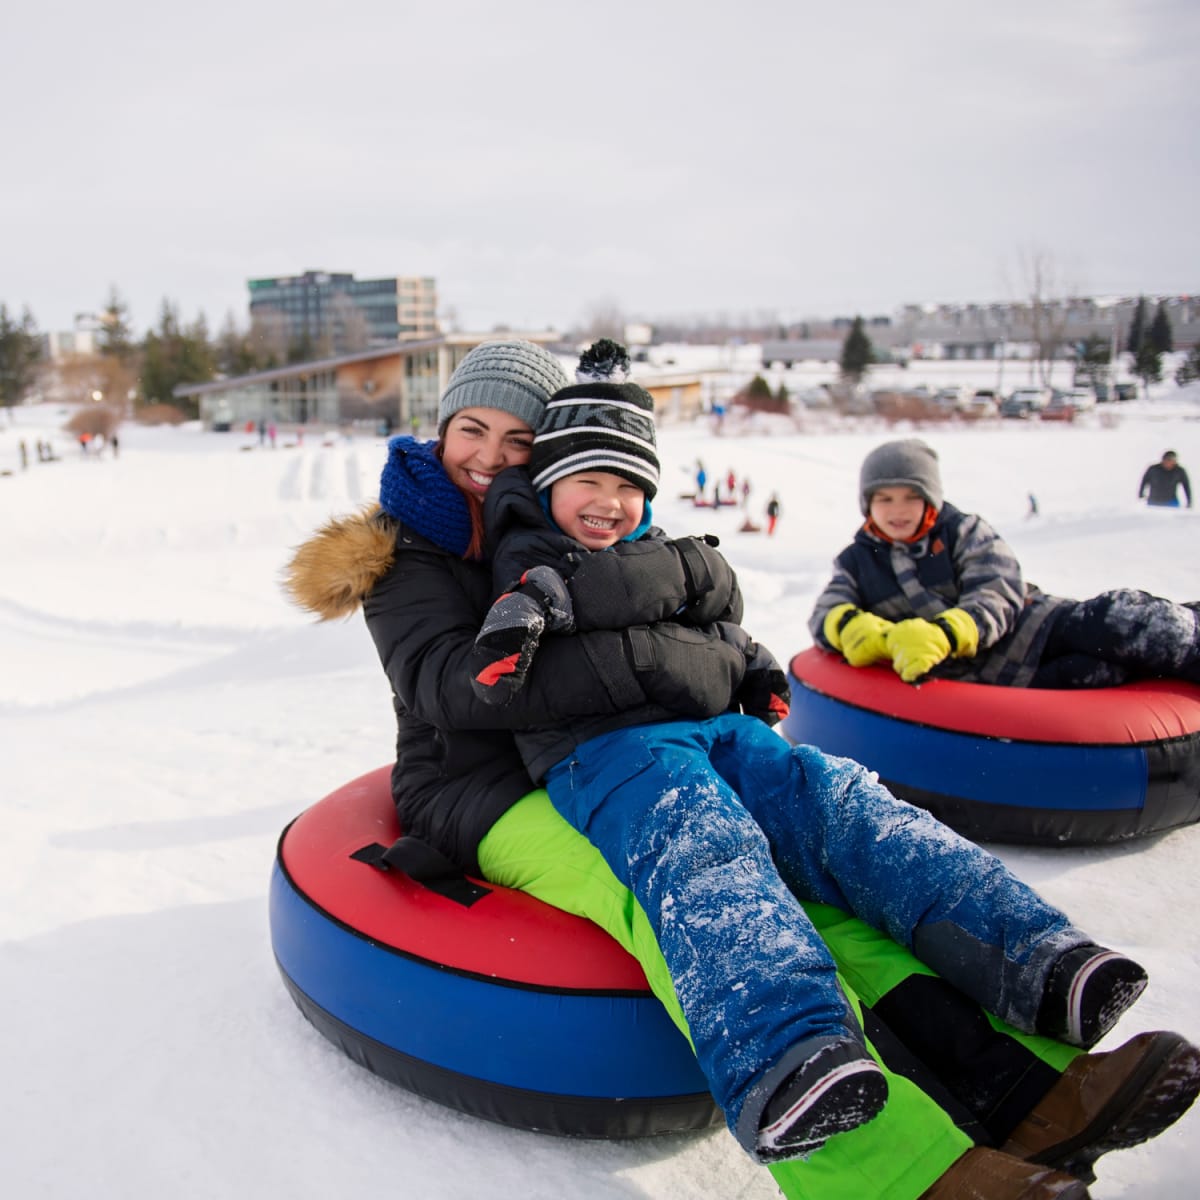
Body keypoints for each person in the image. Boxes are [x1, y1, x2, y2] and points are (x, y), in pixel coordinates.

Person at [285, 344, 1196, 1200]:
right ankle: (898, 1172)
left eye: (517, 438)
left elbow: (706, 621)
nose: (488, 456)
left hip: (628, 749)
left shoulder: (578, 514)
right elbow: (458, 690)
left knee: (821, 887)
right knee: (679, 889)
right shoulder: (403, 554)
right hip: (486, 790)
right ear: (440, 429)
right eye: (471, 430)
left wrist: (693, 653)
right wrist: (668, 657)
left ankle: (1023, 1095)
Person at [811, 438, 1200, 688]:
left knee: (1117, 621)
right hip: (998, 677)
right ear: (868, 504)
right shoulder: (857, 560)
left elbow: (996, 591)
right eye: (884, 499)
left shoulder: (962, 532)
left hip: (1036, 628)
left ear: (930, 499)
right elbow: (826, 609)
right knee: (1096, 676)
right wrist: (857, 630)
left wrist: (948, 633)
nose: (898, 510)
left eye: (910, 497)